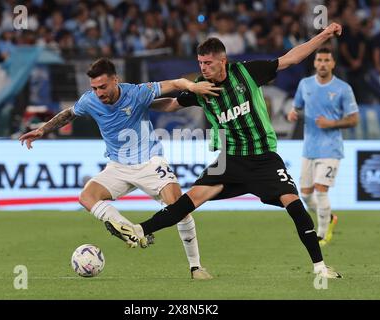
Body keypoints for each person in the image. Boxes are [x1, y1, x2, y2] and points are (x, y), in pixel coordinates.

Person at [107, 23, 345, 279]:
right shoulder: (201, 88)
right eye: (200, 63)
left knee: (295, 206)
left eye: (208, 63)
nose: (203, 68)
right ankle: (140, 230)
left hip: (264, 158)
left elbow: (291, 58)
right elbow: (173, 105)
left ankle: (320, 267)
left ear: (223, 61)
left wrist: (324, 34)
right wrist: (139, 103)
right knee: (187, 202)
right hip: (230, 162)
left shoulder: (247, 73)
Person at [19, 58, 222, 280]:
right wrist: (42, 130)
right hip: (118, 166)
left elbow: (175, 83)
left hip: (149, 162)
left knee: (180, 208)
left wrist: (193, 86)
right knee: (86, 197)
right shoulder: (90, 101)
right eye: (94, 88)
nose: (98, 93)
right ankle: (130, 231)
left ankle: (196, 268)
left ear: (116, 80)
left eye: (103, 87)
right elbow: (69, 113)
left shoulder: (136, 93)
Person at [287, 48, 359, 246]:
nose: (323, 64)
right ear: (315, 63)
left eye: (327, 60)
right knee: (306, 195)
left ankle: (322, 234)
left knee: (321, 191)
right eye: (319, 60)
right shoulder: (305, 84)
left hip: (331, 147)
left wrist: (332, 123)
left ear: (333, 64)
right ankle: (330, 217)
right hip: (309, 147)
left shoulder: (343, 88)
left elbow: (354, 120)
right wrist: (293, 113)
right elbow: (297, 106)